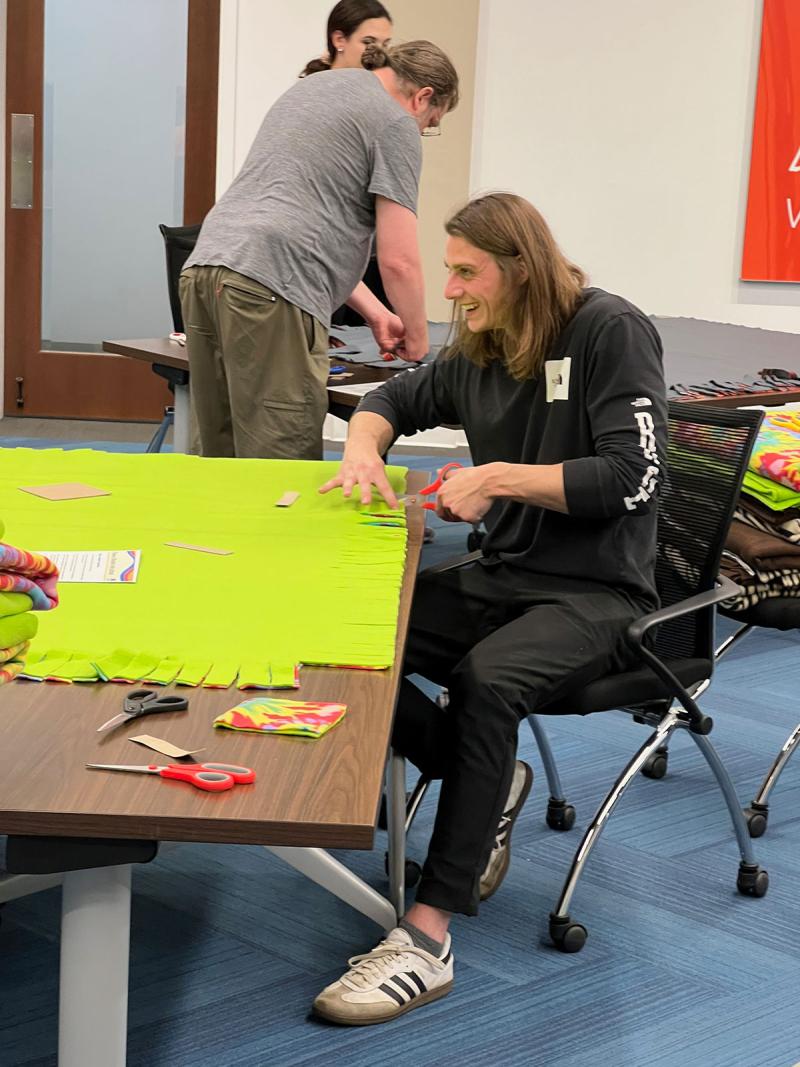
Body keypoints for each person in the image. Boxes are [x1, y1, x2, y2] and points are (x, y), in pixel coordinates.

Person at [313, 192, 668, 1025]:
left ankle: (427, 936)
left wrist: (497, 477)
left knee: (487, 681)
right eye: (449, 270)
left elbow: (634, 477)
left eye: (467, 272)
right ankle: (486, 772)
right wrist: (365, 447)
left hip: (601, 592)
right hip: (505, 574)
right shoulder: (482, 342)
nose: (453, 289)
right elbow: (393, 399)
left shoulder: (609, 330)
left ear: (518, 266)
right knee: (347, 634)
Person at [180, 41, 458, 460]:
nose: (423, 131)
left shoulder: (318, 87)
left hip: (207, 267)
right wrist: (417, 342)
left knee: (219, 453)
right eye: (431, 123)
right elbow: (398, 259)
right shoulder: (396, 123)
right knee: (278, 457)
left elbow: (304, 228)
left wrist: (379, 314)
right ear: (423, 97)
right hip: (268, 291)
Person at [300, 1, 393, 77]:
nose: (381, 55)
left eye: (385, 44)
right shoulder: (312, 91)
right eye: (368, 42)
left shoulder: (387, 93)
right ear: (339, 40)